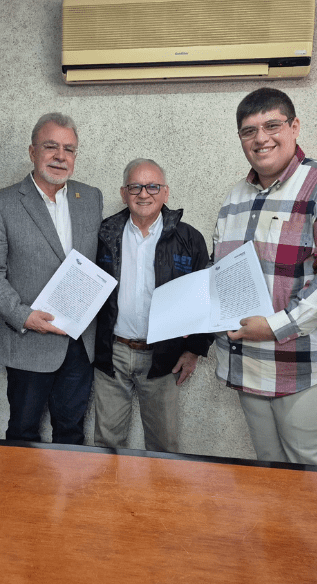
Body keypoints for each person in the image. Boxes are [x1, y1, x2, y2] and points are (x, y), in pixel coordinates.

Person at [211, 87, 317, 466]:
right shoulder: (235, 198)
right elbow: (221, 273)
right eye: (249, 131)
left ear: (294, 127)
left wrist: (274, 327)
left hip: (311, 371)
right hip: (250, 369)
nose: (261, 138)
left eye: (272, 126)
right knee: (272, 482)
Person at [0, 112, 103, 444]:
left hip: (79, 343)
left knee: (72, 433)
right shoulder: (0, 203)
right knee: (23, 432)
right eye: (51, 146)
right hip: (27, 340)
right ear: (32, 151)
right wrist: (24, 316)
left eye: (69, 149)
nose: (60, 156)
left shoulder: (91, 198)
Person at [93, 159, 212, 452]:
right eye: (135, 187)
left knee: (163, 447)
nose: (143, 194)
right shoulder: (104, 234)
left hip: (164, 356)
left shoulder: (188, 239)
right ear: (124, 193)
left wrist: (194, 349)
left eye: (152, 187)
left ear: (166, 192)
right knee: (106, 444)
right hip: (113, 353)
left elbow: (206, 298)